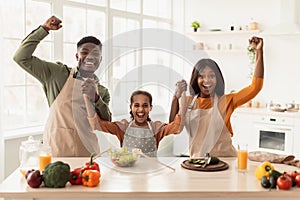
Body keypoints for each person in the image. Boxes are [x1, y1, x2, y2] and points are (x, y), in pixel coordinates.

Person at [13, 16, 112, 157]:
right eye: (84, 52)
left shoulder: (102, 91)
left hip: (87, 154)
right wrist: (44, 29)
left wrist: (95, 98)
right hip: (56, 151)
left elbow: (105, 125)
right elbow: (20, 58)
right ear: (77, 56)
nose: (90, 57)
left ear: (100, 60)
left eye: (95, 54)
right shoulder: (57, 74)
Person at [169, 36, 264, 158]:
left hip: (226, 163)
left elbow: (255, 87)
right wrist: (174, 99)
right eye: (201, 76)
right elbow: (174, 130)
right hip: (198, 163)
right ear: (195, 79)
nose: (206, 80)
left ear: (217, 79)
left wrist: (259, 52)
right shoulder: (187, 102)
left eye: (211, 76)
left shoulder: (227, 101)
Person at [84, 90, 185, 157]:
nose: (141, 109)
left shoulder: (156, 128)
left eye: (145, 105)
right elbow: (96, 124)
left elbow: (176, 127)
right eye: (136, 105)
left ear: (150, 108)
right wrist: (87, 98)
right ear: (131, 107)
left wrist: (180, 97)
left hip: (150, 172)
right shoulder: (123, 127)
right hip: (128, 173)